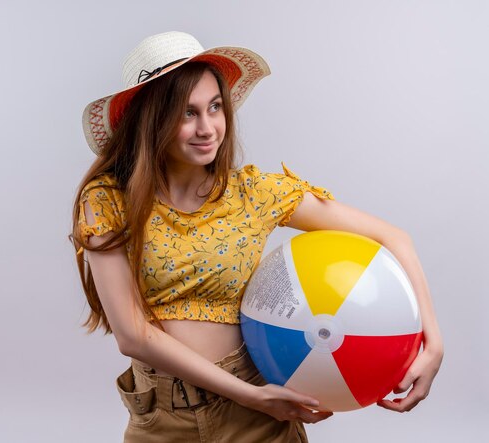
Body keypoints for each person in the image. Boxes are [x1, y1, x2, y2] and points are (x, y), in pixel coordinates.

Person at [70, 31, 443, 442]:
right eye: (186, 113)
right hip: (164, 415)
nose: (208, 127)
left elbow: (393, 238)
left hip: (256, 416)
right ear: (151, 119)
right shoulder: (108, 200)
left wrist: (433, 343)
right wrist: (251, 396)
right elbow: (132, 335)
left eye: (214, 107)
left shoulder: (253, 193)